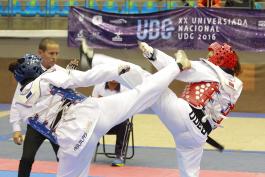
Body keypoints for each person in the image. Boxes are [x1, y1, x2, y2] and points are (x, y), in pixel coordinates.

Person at [8, 44, 191, 177]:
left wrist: (17, 129)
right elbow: (86, 78)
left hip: (73, 143)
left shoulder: (22, 100)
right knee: (141, 94)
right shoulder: (48, 76)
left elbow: (43, 118)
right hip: (94, 115)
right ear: (34, 70)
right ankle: (178, 66)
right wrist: (115, 71)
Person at [84, 40, 243, 177]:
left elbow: (179, 70)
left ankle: (93, 60)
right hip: (197, 137)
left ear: (220, 59)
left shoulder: (211, 70)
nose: (208, 58)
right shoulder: (236, 86)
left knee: (143, 77)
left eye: (211, 55)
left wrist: (153, 54)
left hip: (183, 114)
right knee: (190, 174)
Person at [9, 38, 77, 177]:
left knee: (64, 159)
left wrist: (71, 76)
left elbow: (69, 95)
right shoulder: (28, 72)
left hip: (56, 126)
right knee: (27, 158)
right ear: (40, 52)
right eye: (51, 53)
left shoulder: (61, 72)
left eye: (57, 53)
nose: (54, 57)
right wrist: (16, 129)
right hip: (35, 124)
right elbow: (18, 101)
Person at [92, 80, 130, 167]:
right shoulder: (98, 86)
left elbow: (126, 108)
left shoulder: (125, 89)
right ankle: (92, 142)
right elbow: (93, 105)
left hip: (117, 122)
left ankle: (119, 155)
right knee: (89, 118)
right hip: (102, 121)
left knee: (124, 123)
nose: (113, 77)